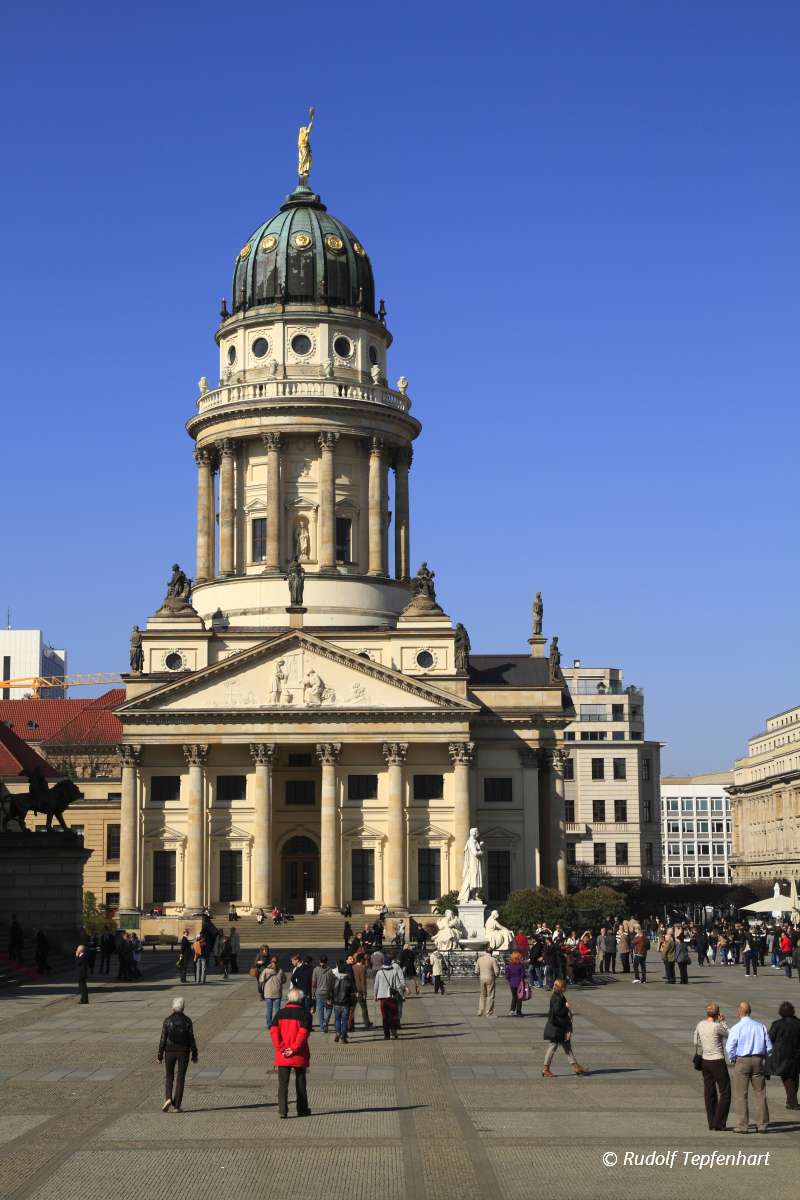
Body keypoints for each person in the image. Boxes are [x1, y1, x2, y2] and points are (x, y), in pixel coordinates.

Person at [726, 1000, 772, 1134]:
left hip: (742, 1060)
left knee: (741, 1094)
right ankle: (762, 1125)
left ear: (739, 1012)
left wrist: (734, 1058)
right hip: (758, 1060)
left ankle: (742, 1126)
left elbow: (730, 1047)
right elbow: (769, 1046)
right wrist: (764, 1057)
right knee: (760, 1094)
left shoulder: (736, 1027)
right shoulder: (760, 1026)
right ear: (750, 1012)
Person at [270, 986, 312, 1118]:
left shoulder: (279, 1014)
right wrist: (293, 1049)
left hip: (283, 1055)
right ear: (300, 999)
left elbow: (274, 1033)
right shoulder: (305, 1014)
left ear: (288, 999)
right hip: (299, 1054)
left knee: (283, 1084)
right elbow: (303, 1034)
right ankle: (302, 1109)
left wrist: (282, 1048)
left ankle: (283, 1110)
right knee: (300, 1082)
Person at [694, 1002, 731, 1130]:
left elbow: (695, 1040)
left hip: (705, 1060)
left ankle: (712, 1121)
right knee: (725, 1091)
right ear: (717, 1013)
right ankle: (719, 1122)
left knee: (709, 1091)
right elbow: (729, 1035)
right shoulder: (717, 1026)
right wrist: (723, 1022)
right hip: (717, 1060)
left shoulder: (700, 1024)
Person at [157, 996, 198, 1112]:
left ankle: (168, 1098)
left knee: (169, 1076)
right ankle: (177, 1106)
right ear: (183, 1007)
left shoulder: (167, 1020)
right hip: (183, 1052)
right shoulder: (187, 1021)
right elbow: (191, 1039)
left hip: (169, 1052)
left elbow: (162, 1039)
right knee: (181, 1078)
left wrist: (159, 1055)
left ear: (172, 1008)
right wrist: (194, 1054)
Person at [542, 979, 587, 1076]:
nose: (566, 988)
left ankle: (576, 1067)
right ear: (561, 987)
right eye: (564, 986)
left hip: (559, 1025)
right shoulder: (557, 997)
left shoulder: (559, 995)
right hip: (557, 1026)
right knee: (553, 1046)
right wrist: (566, 1007)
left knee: (567, 1046)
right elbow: (558, 1011)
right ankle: (546, 1069)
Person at [767, 1000, 800, 1110]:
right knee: (794, 1077)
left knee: (787, 1078)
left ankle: (792, 1102)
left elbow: (770, 1039)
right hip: (796, 1055)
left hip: (782, 1056)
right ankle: (791, 1101)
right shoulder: (798, 1023)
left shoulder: (777, 1024)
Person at [374, 954, 406, 1039]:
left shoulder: (379, 972)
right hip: (392, 997)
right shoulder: (394, 972)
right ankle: (394, 1030)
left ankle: (386, 1034)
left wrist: (375, 995)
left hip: (382, 997)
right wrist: (401, 995)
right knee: (394, 1015)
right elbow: (398, 985)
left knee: (385, 1016)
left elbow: (376, 985)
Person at [331, 959, 355, 1043]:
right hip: (345, 1003)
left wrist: (330, 999)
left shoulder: (334, 979)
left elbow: (331, 991)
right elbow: (351, 993)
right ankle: (343, 1037)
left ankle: (338, 1032)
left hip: (336, 1003)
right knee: (344, 1020)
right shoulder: (348, 980)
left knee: (337, 1019)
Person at [260, 956, 285, 1027]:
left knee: (269, 1009)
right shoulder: (280, 970)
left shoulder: (266, 970)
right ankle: (277, 1023)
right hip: (277, 992)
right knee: (277, 1009)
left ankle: (269, 1024)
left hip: (268, 993)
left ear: (270, 962)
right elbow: (284, 980)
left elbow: (261, 980)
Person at [311, 955, 334, 1033]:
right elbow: (332, 983)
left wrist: (313, 993)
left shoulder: (316, 970)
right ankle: (326, 1021)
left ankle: (322, 1027)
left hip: (318, 993)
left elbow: (314, 983)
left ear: (319, 961)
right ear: (327, 961)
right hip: (328, 993)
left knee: (320, 1011)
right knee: (329, 1008)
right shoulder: (330, 970)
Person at [475, 949, 500, 1016]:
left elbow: (476, 971)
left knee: (482, 995)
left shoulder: (480, 959)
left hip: (482, 978)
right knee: (490, 995)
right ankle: (488, 1012)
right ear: (491, 952)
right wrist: (496, 975)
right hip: (490, 978)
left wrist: (479, 975)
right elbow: (496, 971)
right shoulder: (493, 959)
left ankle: (480, 1010)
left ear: (485, 952)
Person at [351, 952, 373, 1029]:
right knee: (363, 1007)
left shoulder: (353, 967)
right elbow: (363, 981)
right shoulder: (363, 968)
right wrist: (364, 992)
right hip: (360, 990)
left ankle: (351, 1023)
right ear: (361, 960)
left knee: (352, 1008)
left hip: (353, 990)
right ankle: (366, 1023)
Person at [505, 951, 525, 1016]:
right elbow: (523, 975)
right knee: (519, 997)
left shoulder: (509, 966)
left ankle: (512, 1010)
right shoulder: (521, 965)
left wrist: (510, 980)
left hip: (512, 983)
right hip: (519, 983)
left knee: (514, 997)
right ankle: (518, 1011)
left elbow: (507, 975)